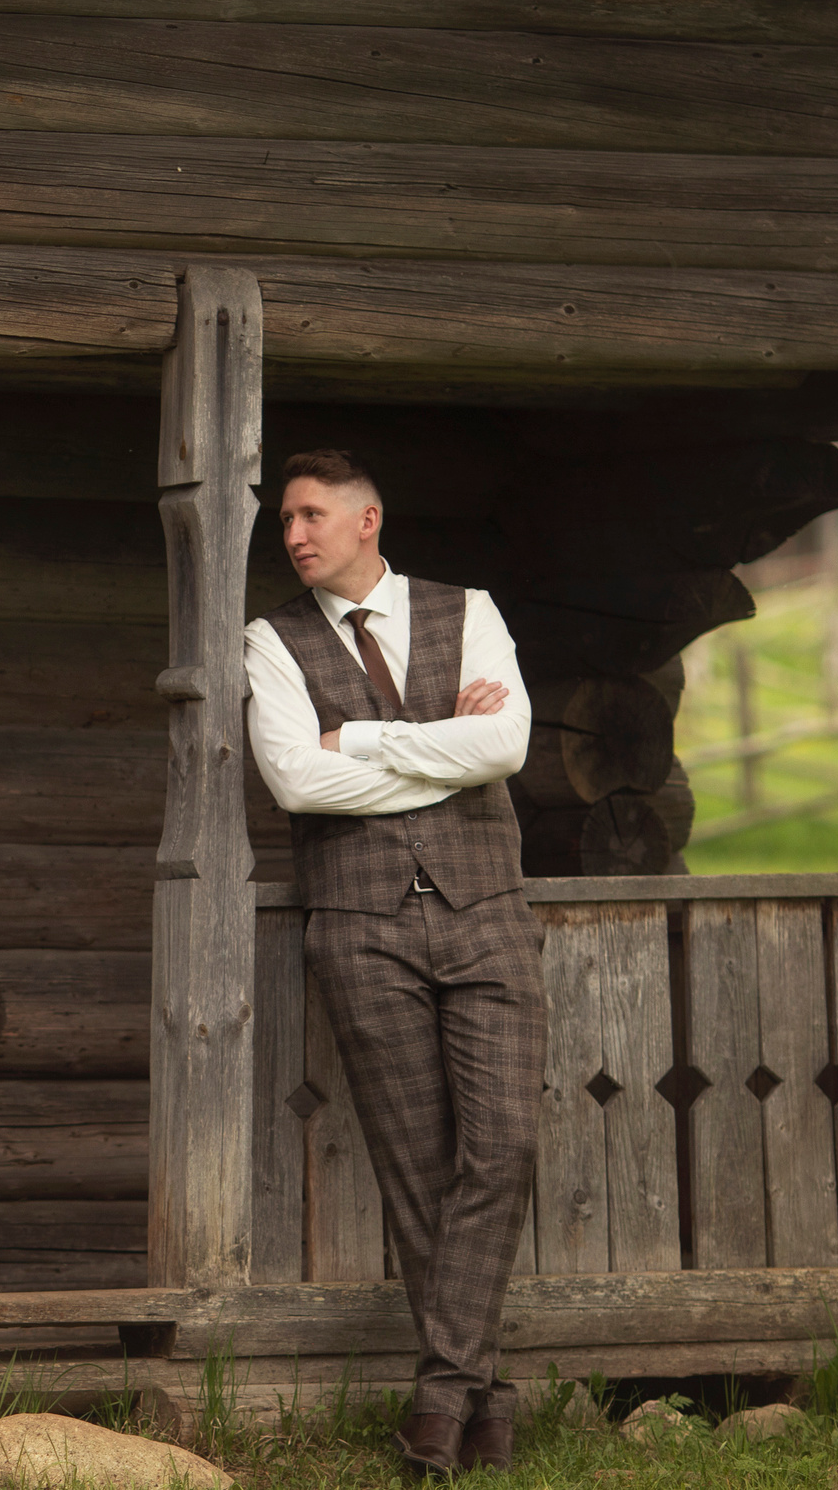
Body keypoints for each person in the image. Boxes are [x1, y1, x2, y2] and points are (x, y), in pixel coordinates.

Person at [242, 447, 542, 1478]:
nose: (293, 535)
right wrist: (430, 755)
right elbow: (295, 780)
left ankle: (443, 1392)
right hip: (360, 923)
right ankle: (482, 1409)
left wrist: (360, 739)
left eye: (312, 515)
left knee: (500, 1147)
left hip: (486, 913)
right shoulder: (270, 641)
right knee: (417, 1171)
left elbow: (502, 750)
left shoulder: (471, 609)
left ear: (367, 521)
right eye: (285, 520)